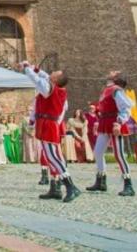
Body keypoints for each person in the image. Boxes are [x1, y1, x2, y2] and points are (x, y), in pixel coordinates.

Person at [22, 60, 80, 202]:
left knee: (53, 157)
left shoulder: (49, 88)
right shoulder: (54, 87)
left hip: (49, 124)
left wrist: (26, 69)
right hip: (46, 123)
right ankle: (61, 187)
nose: (52, 72)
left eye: (55, 73)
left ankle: (71, 187)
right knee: (51, 157)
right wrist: (33, 68)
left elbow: (37, 81)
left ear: (55, 79)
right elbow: (43, 75)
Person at [87, 72, 135, 196]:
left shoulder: (116, 90)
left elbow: (127, 107)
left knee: (118, 154)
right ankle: (101, 181)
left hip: (114, 123)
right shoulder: (108, 90)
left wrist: (119, 122)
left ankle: (128, 184)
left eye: (114, 73)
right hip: (105, 122)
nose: (110, 72)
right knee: (98, 152)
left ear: (116, 79)